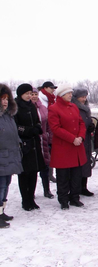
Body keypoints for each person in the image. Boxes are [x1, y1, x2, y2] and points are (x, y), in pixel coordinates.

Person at [48, 84, 87, 210]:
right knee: (63, 176)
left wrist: (80, 137)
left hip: (76, 146)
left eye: (71, 93)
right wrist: (72, 139)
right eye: (67, 93)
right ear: (60, 95)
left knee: (76, 175)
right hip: (63, 148)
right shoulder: (54, 108)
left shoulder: (74, 106)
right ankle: (63, 200)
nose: (70, 95)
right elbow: (55, 128)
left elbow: (81, 123)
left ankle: (75, 198)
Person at [14, 83, 46, 211]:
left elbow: (37, 120)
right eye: (26, 94)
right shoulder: (16, 107)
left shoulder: (32, 106)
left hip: (34, 143)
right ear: (20, 94)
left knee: (34, 173)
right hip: (24, 145)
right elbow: (15, 126)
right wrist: (28, 130)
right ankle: (25, 200)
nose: (29, 96)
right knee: (24, 174)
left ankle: (31, 199)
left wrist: (38, 127)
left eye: (31, 93)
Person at [0, 84, 23, 228]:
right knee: (0, 186)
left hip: (10, 155)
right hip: (2, 156)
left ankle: (1, 211)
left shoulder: (8, 116)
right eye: (2, 99)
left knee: (6, 185)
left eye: (6, 98)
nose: (5, 101)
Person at [71, 88, 95, 197]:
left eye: (85, 97)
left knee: (86, 163)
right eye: (82, 97)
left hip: (86, 138)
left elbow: (87, 120)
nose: (84, 99)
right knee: (78, 164)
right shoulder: (73, 107)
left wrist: (90, 126)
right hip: (78, 138)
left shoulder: (86, 108)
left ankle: (83, 187)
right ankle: (75, 187)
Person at [31, 88, 54, 199]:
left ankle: (47, 190)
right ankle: (31, 191)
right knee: (33, 169)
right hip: (32, 141)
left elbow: (49, 125)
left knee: (45, 167)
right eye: (31, 94)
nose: (34, 96)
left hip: (44, 141)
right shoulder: (25, 109)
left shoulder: (43, 108)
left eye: (35, 94)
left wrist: (50, 139)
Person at [38, 81, 57, 183]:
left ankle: (50, 174)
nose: (53, 90)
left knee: (51, 154)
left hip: (51, 130)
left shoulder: (52, 99)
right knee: (43, 156)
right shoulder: (40, 99)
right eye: (51, 88)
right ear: (44, 88)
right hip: (42, 131)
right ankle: (45, 177)